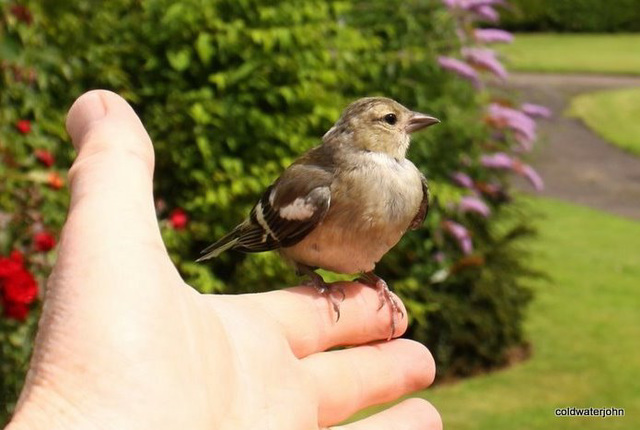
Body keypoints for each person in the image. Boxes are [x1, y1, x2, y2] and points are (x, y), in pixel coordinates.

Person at [6, 90, 442, 430]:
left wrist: (372, 277)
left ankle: (371, 282)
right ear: (357, 133)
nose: (411, 124)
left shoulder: (412, 188)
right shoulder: (317, 184)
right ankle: (314, 276)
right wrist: (312, 276)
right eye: (392, 120)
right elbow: (270, 226)